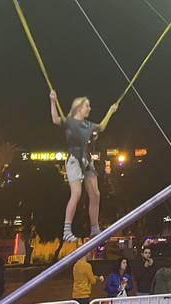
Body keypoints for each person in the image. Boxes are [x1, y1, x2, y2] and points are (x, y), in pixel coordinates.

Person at [50, 90, 118, 242]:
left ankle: (94, 229)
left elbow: (101, 127)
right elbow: (55, 120)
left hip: (87, 160)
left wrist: (110, 112)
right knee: (77, 193)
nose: (90, 109)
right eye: (87, 106)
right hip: (74, 159)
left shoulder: (88, 124)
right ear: (79, 107)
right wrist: (53, 101)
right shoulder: (69, 121)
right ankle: (67, 230)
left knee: (96, 194)